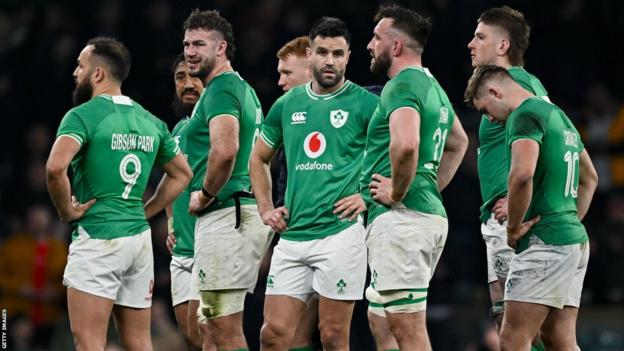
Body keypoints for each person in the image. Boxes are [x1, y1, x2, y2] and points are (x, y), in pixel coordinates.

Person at [46, 36, 192, 351]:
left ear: (98, 74)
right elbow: (183, 173)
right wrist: (147, 211)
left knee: (89, 342)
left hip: (99, 236)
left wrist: (66, 212)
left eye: (80, 65)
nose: (75, 72)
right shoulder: (150, 121)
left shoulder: (82, 116)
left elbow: (55, 169)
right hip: (138, 242)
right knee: (139, 342)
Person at [250, 17, 378, 351]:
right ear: (310, 54)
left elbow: (398, 152)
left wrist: (367, 196)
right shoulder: (287, 104)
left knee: (333, 337)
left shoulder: (367, 104)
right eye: (322, 52)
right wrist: (265, 208)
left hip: (340, 234)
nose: (330, 61)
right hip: (292, 236)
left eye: (338, 53)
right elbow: (258, 157)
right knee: (272, 335)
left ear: (349, 56)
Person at [464, 64, 598, 351]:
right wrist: (569, 221)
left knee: (512, 339)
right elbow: (591, 178)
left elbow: (522, 174)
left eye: (485, 109)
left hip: (544, 241)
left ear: (494, 91)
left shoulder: (523, 115)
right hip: (573, 239)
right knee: (559, 340)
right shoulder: (559, 115)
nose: (490, 118)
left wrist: (513, 228)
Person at [362, 5, 468, 351]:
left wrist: (398, 191)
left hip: (403, 219)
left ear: (395, 47)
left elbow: (406, 144)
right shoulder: (431, 85)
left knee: (408, 330)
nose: (369, 45)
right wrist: (427, 187)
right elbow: (458, 142)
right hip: (419, 214)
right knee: (381, 321)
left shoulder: (401, 84)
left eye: (377, 38)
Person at [182, 9, 272, 351]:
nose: (190, 51)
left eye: (200, 44)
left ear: (221, 49)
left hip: (228, 214)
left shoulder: (221, 89)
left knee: (222, 326)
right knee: (205, 327)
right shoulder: (238, 89)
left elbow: (225, 150)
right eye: (187, 43)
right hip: (230, 214)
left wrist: (204, 194)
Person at [467, 9, 549, 348]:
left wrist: (519, 201)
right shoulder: (506, 88)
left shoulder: (521, 87)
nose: (471, 43)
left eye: (480, 37)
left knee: (518, 326)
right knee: (506, 320)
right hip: (498, 218)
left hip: (512, 217)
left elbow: (552, 143)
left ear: (503, 45)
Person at [164, 53, 215, 351]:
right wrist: (171, 222)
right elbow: (172, 182)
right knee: (190, 337)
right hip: (181, 248)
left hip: (209, 242)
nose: (187, 84)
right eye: (180, 78)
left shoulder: (217, 121)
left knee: (209, 334)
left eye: (194, 76)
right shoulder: (179, 129)